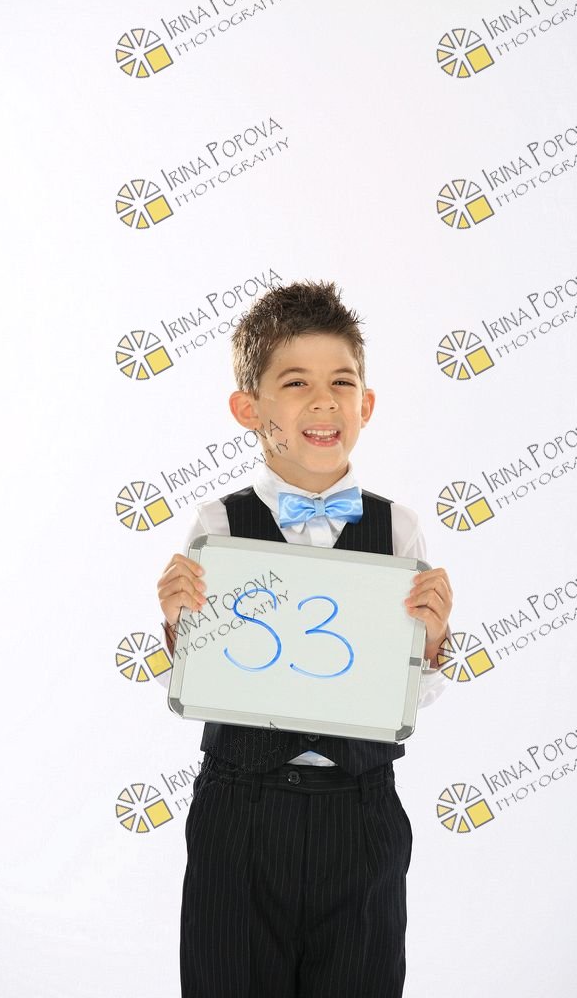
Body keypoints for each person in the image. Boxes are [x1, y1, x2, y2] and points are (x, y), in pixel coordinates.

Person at [156, 281, 453, 998]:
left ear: (366, 405)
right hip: (240, 811)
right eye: (296, 383)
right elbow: (198, 680)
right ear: (249, 409)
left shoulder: (399, 529)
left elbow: (409, 694)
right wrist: (177, 624)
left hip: (361, 809)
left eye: (341, 383)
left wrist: (432, 641)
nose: (324, 402)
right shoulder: (218, 525)